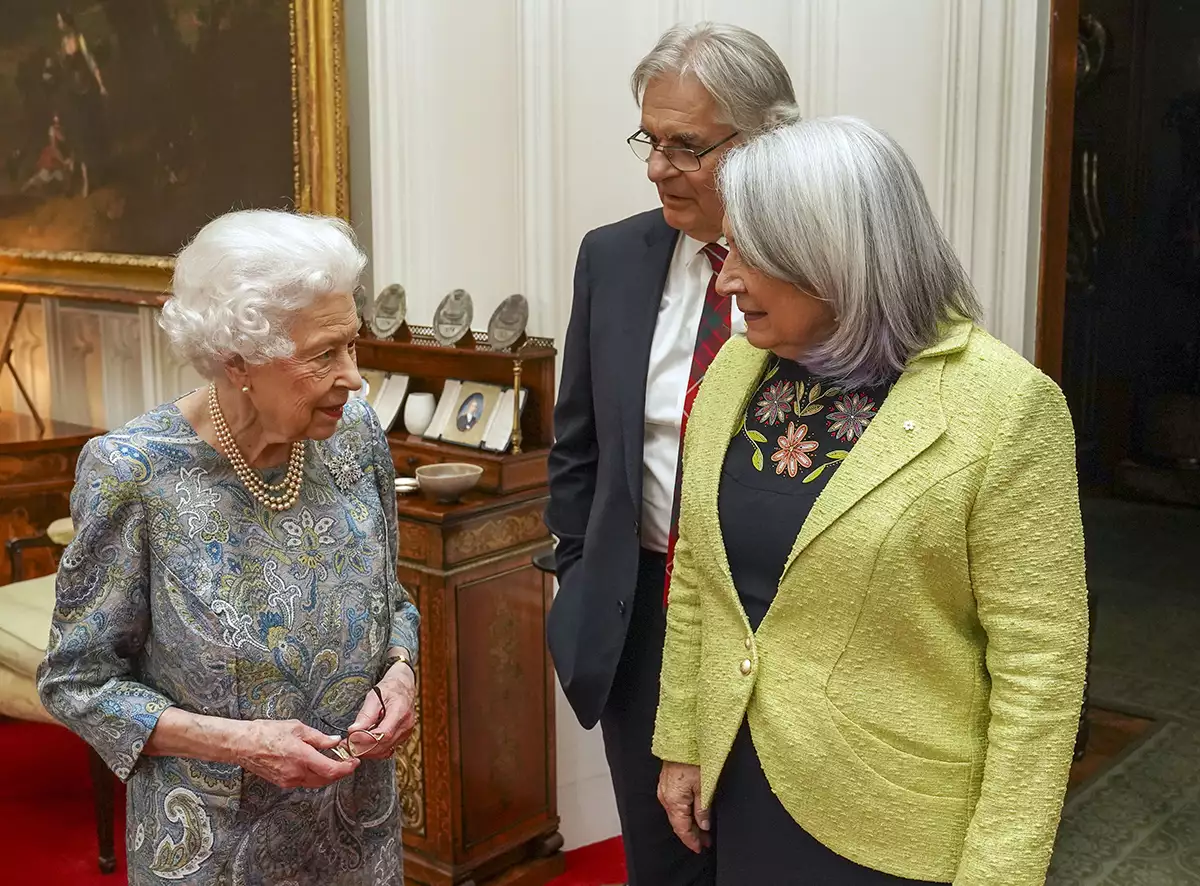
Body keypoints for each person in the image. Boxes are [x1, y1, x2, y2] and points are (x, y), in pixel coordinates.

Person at [653, 116, 1089, 885]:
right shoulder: (737, 373)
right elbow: (697, 578)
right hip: (745, 790)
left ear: (830, 257)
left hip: (897, 826)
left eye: (752, 252)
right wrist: (683, 739)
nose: (726, 277)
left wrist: (1002, 871)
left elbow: (1041, 674)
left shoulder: (1006, 407)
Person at [37, 209, 421, 886]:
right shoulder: (135, 473)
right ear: (238, 361)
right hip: (213, 846)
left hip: (359, 832)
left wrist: (400, 671)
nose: (355, 377)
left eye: (352, 346)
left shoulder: (354, 435)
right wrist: (241, 744)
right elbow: (77, 683)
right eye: (324, 354)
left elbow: (392, 599)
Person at [545, 22, 797, 885]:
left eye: (686, 147)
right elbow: (577, 446)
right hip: (641, 615)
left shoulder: (821, 277)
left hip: (776, 625)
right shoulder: (613, 258)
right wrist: (579, 572)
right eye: (649, 142)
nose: (657, 168)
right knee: (664, 862)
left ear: (768, 141)